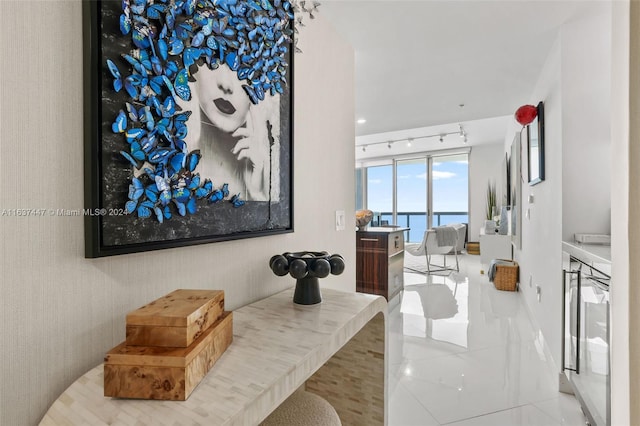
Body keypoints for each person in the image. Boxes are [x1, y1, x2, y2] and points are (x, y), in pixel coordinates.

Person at [180, 63, 280, 202]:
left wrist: (259, 192)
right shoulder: (175, 173)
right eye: (212, 60)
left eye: (243, 66)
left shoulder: (266, 181)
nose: (226, 85)